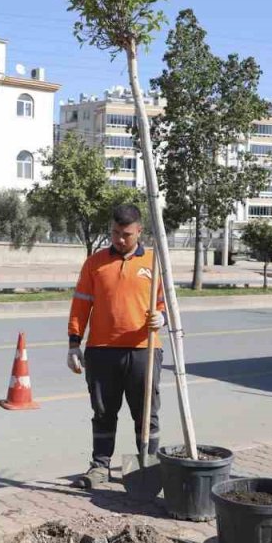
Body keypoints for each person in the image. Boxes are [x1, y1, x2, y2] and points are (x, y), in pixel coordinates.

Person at [66, 204, 165, 489]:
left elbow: (165, 302)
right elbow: (81, 304)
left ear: (139, 231)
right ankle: (100, 466)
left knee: (146, 412)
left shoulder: (154, 262)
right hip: (101, 350)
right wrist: (74, 343)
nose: (119, 239)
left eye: (126, 234)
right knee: (103, 412)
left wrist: (162, 317)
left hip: (143, 350)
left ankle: (149, 465)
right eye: (114, 233)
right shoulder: (95, 263)